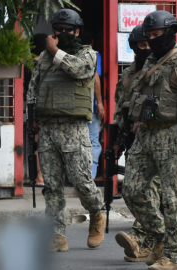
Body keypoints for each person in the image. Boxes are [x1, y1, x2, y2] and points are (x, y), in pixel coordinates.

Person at [122, 11, 177, 270]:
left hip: (174, 136)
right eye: (148, 36)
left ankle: (171, 257)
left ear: (170, 33)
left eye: (157, 35)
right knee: (131, 189)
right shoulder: (150, 61)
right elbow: (147, 94)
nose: (151, 40)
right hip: (147, 134)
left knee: (171, 198)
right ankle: (158, 235)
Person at [26, 9, 105, 252]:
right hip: (49, 129)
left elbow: (79, 70)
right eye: (57, 29)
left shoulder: (87, 54)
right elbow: (34, 88)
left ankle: (96, 214)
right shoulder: (45, 58)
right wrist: (33, 121)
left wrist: (54, 50)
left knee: (82, 181)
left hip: (75, 130)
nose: (61, 33)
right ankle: (57, 235)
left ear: (77, 31)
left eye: (67, 30)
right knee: (52, 186)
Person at [112, 24, 161, 263]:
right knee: (133, 189)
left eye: (150, 44)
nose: (147, 48)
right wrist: (116, 139)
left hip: (157, 137)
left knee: (149, 190)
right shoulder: (129, 73)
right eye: (142, 45)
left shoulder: (161, 68)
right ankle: (145, 241)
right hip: (133, 139)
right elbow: (120, 105)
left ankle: (141, 239)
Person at [80, 28, 105, 180]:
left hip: (74, 107)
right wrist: (100, 103)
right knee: (93, 142)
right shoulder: (94, 55)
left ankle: (77, 177)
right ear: (92, 42)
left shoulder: (69, 55)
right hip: (90, 106)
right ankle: (89, 177)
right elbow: (96, 78)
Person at [24, 33, 48, 186]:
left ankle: (35, 175)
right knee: (40, 143)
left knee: (33, 142)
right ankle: (40, 176)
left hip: (29, 107)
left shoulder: (27, 66)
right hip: (42, 107)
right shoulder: (45, 66)